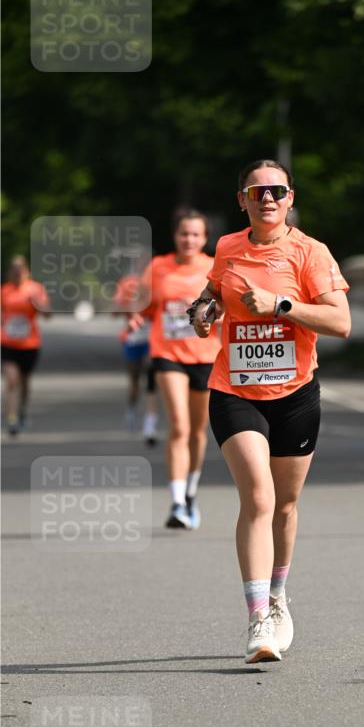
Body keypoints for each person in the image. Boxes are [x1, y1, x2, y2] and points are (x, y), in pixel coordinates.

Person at [190, 159, 350, 664]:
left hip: (296, 394)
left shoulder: (309, 252)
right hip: (234, 390)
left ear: (290, 198)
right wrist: (203, 309)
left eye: (276, 191)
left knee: (284, 504)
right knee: (257, 497)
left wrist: (280, 306)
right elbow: (214, 290)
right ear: (241, 199)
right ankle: (258, 619)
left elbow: (340, 321)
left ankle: (279, 595)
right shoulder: (228, 247)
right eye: (257, 191)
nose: (267, 199)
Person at [130, 211, 221, 529]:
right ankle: (177, 502)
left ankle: (192, 492)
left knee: (198, 431)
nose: (189, 240)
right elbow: (145, 305)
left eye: (196, 234)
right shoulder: (158, 267)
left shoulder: (215, 267)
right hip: (167, 354)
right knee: (179, 427)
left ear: (205, 238)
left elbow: (226, 308)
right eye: (184, 234)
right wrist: (136, 316)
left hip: (206, 356)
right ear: (175, 236)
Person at [1, 255, 51, 435]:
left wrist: (38, 304)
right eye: (13, 268)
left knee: (25, 382)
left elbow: (47, 315)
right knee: (11, 380)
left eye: (20, 268)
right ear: (9, 271)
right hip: (8, 343)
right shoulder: (4, 291)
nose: (17, 271)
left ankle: (21, 410)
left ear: (26, 270)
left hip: (30, 344)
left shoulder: (35, 289)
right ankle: (11, 419)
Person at [113, 273, 159, 444]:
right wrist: (127, 307)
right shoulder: (126, 284)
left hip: (152, 339)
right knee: (134, 380)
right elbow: (114, 312)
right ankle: (132, 409)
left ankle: (150, 424)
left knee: (151, 377)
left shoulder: (157, 285)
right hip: (133, 338)